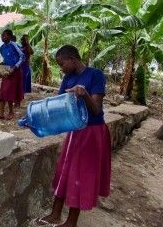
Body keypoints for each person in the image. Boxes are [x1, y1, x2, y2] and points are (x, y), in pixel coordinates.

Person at [34, 45, 111, 227]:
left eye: (62, 64)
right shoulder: (68, 78)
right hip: (75, 131)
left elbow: (96, 109)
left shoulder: (95, 75)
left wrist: (84, 94)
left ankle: (71, 222)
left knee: (81, 175)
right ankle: (55, 214)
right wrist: (39, 120)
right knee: (65, 171)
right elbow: (58, 106)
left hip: (92, 132)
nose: (61, 68)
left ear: (72, 59)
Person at [0, 29, 24, 120]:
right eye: (2, 35)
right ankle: (1, 112)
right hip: (6, 72)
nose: (2, 37)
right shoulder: (1, 48)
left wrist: (15, 67)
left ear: (9, 36)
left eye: (4, 35)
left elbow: (22, 56)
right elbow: (5, 60)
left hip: (15, 72)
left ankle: (11, 112)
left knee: (10, 92)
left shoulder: (14, 45)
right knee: (3, 91)